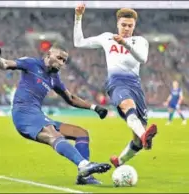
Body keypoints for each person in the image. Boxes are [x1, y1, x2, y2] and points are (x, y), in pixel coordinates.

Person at [0, 45, 111, 185]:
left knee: (81, 133)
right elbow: (5, 64)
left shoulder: (54, 78)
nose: (62, 63)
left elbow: (70, 98)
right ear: (48, 55)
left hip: (37, 115)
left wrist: (94, 107)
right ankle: (84, 165)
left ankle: (84, 177)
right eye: (59, 58)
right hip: (24, 113)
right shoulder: (31, 63)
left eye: (64, 61)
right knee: (54, 135)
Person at [73, 4, 158, 168]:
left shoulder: (140, 41)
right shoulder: (107, 38)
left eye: (130, 26)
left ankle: (120, 161)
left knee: (136, 141)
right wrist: (78, 17)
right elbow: (79, 42)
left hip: (135, 86)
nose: (126, 28)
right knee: (128, 105)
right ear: (117, 24)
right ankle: (144, 135)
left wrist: (125, 44)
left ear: (134, 26)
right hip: (116, 82)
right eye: (124, 25)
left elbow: (143, 59)